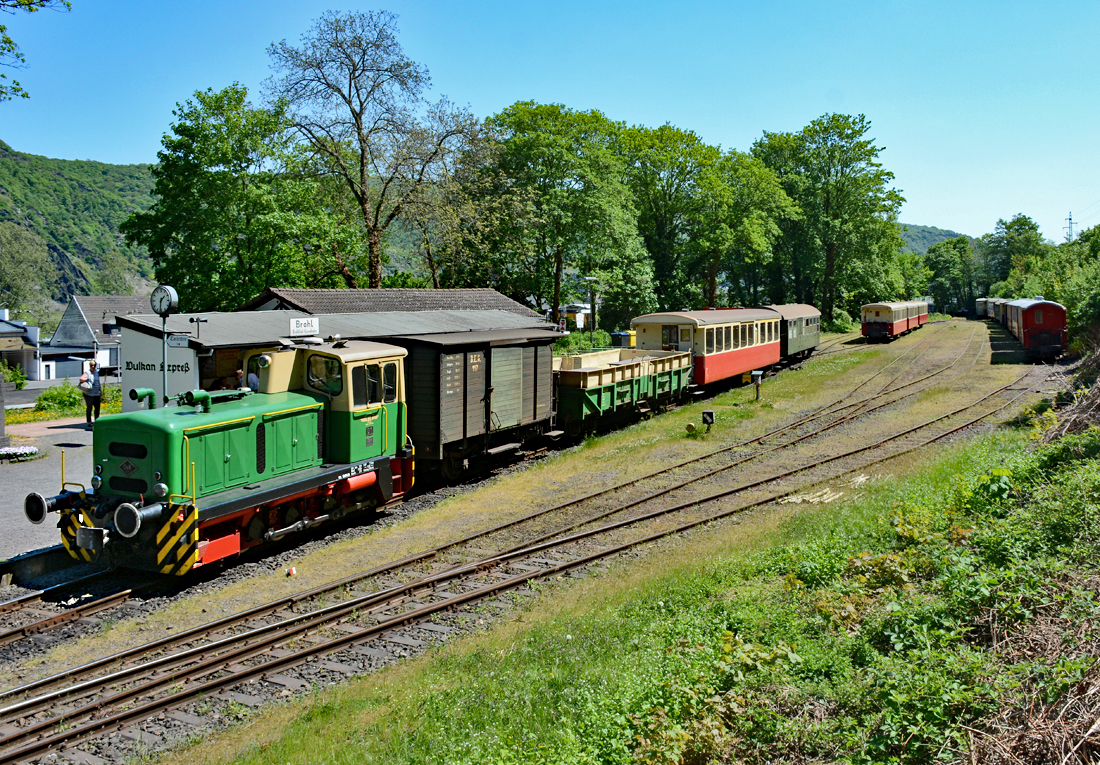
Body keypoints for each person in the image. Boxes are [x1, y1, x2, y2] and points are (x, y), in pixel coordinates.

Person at [80, 360, 101, 429]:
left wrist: (100, 390)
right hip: (89, 394)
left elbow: (98, 382)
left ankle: (97, 421)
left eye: (94, 365)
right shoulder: (87, 373)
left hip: (96, 393)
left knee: (97, 407)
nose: (93, 367)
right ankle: (89, 422)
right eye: (91, 365)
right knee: (89, 407)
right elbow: (81, 379)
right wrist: (87, 378)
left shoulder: (97, 373)